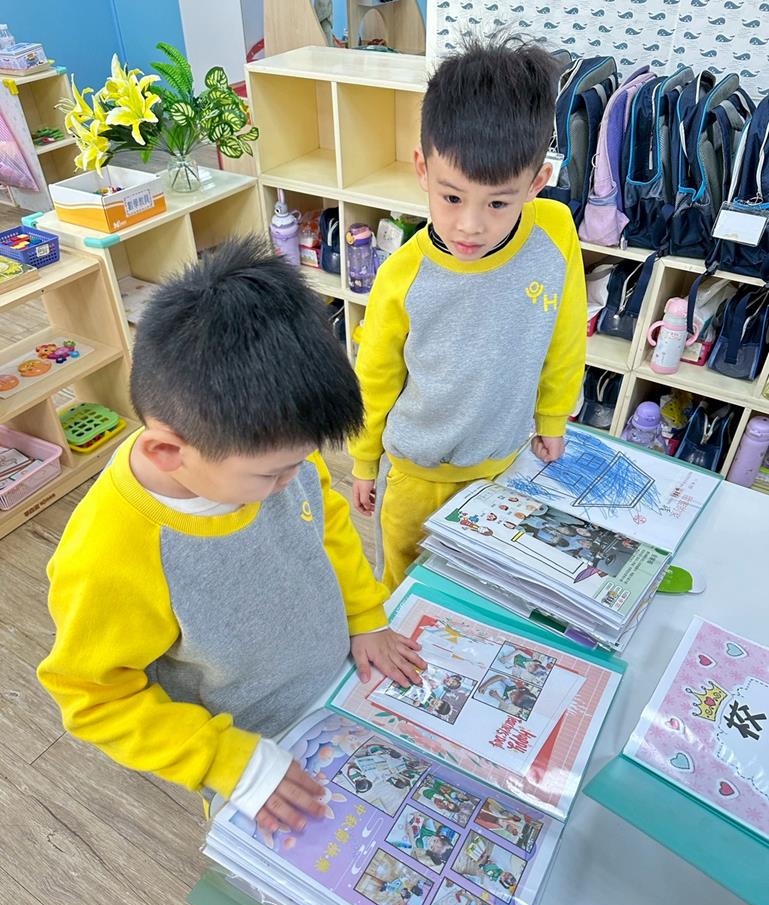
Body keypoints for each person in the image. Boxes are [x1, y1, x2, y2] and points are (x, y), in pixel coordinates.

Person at [37, 236, 425, 837]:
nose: (293, 480)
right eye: (272, 474)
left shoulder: (271, 449)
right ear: (169, 452)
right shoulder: (109, 553)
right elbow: (94, 697)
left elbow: (326, 524)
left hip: (340, 688)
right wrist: (229, 763)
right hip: (256, 760)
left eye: (300, 462)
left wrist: (365, 614)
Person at [350, 36, 587, 590]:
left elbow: (565, 335)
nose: (470, 226)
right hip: (416, 474)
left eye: (498, 202)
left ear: (537, 183)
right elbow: (375, 377)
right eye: (452, 197)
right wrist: (363, 461)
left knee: (485, 588)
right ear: (423, 169)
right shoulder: (403, 275)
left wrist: (553, 418)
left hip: (506, 464)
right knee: (406, 586)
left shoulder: (555, 234)